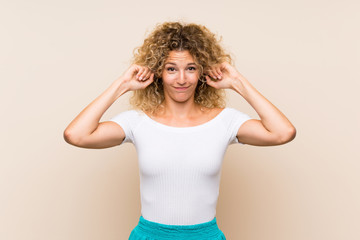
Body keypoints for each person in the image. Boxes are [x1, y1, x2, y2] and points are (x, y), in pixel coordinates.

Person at [63, 21, 296, 240]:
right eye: (171, 69)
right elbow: (77, 135)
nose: (182, 79)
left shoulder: (225, 121)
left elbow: (283, 132)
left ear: (202, 72)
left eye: (191, 68)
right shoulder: (137, 122)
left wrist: (237, 82)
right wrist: (122, 85)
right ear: (158, 73)